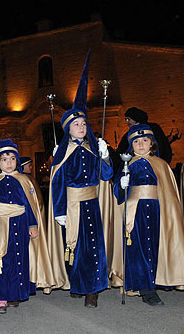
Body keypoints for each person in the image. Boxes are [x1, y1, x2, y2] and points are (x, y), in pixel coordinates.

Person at [48, 52, 114, 308]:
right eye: (76, 124)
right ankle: (77, 284)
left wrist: (106, 156)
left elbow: (106, 176)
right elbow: (57, 183)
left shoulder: (93, 149)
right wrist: (60, 211)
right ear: (67, 129)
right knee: (73, 247)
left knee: (94, 247)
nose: (82, 126)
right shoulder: (63, 153)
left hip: (92, 204)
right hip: (72, 206)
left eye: (84, 123)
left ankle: (92, 290)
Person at [115, 124, 184, 306]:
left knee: (155, 246)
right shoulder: (128, 165)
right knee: (139, 248)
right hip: (135, 213)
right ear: (131, 145)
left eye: (145, 140)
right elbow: (117, 193)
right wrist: (121, 185)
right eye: (136, 141)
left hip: (157, 210)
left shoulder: (161, 165)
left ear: (152, 144)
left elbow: (169, 193)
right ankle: (145, 289)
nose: (141, 144)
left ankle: (157, 279)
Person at [0, 139, 38, 314]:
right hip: (0, 224)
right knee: (0, 259)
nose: (9, 162)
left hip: (21, 222)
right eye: (4, 159)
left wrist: (33, 224)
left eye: (12, 158)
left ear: (17, 161)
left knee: (19, 258)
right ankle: (0, 298)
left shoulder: (24, 180)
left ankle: (15, 294)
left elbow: (31, 205)